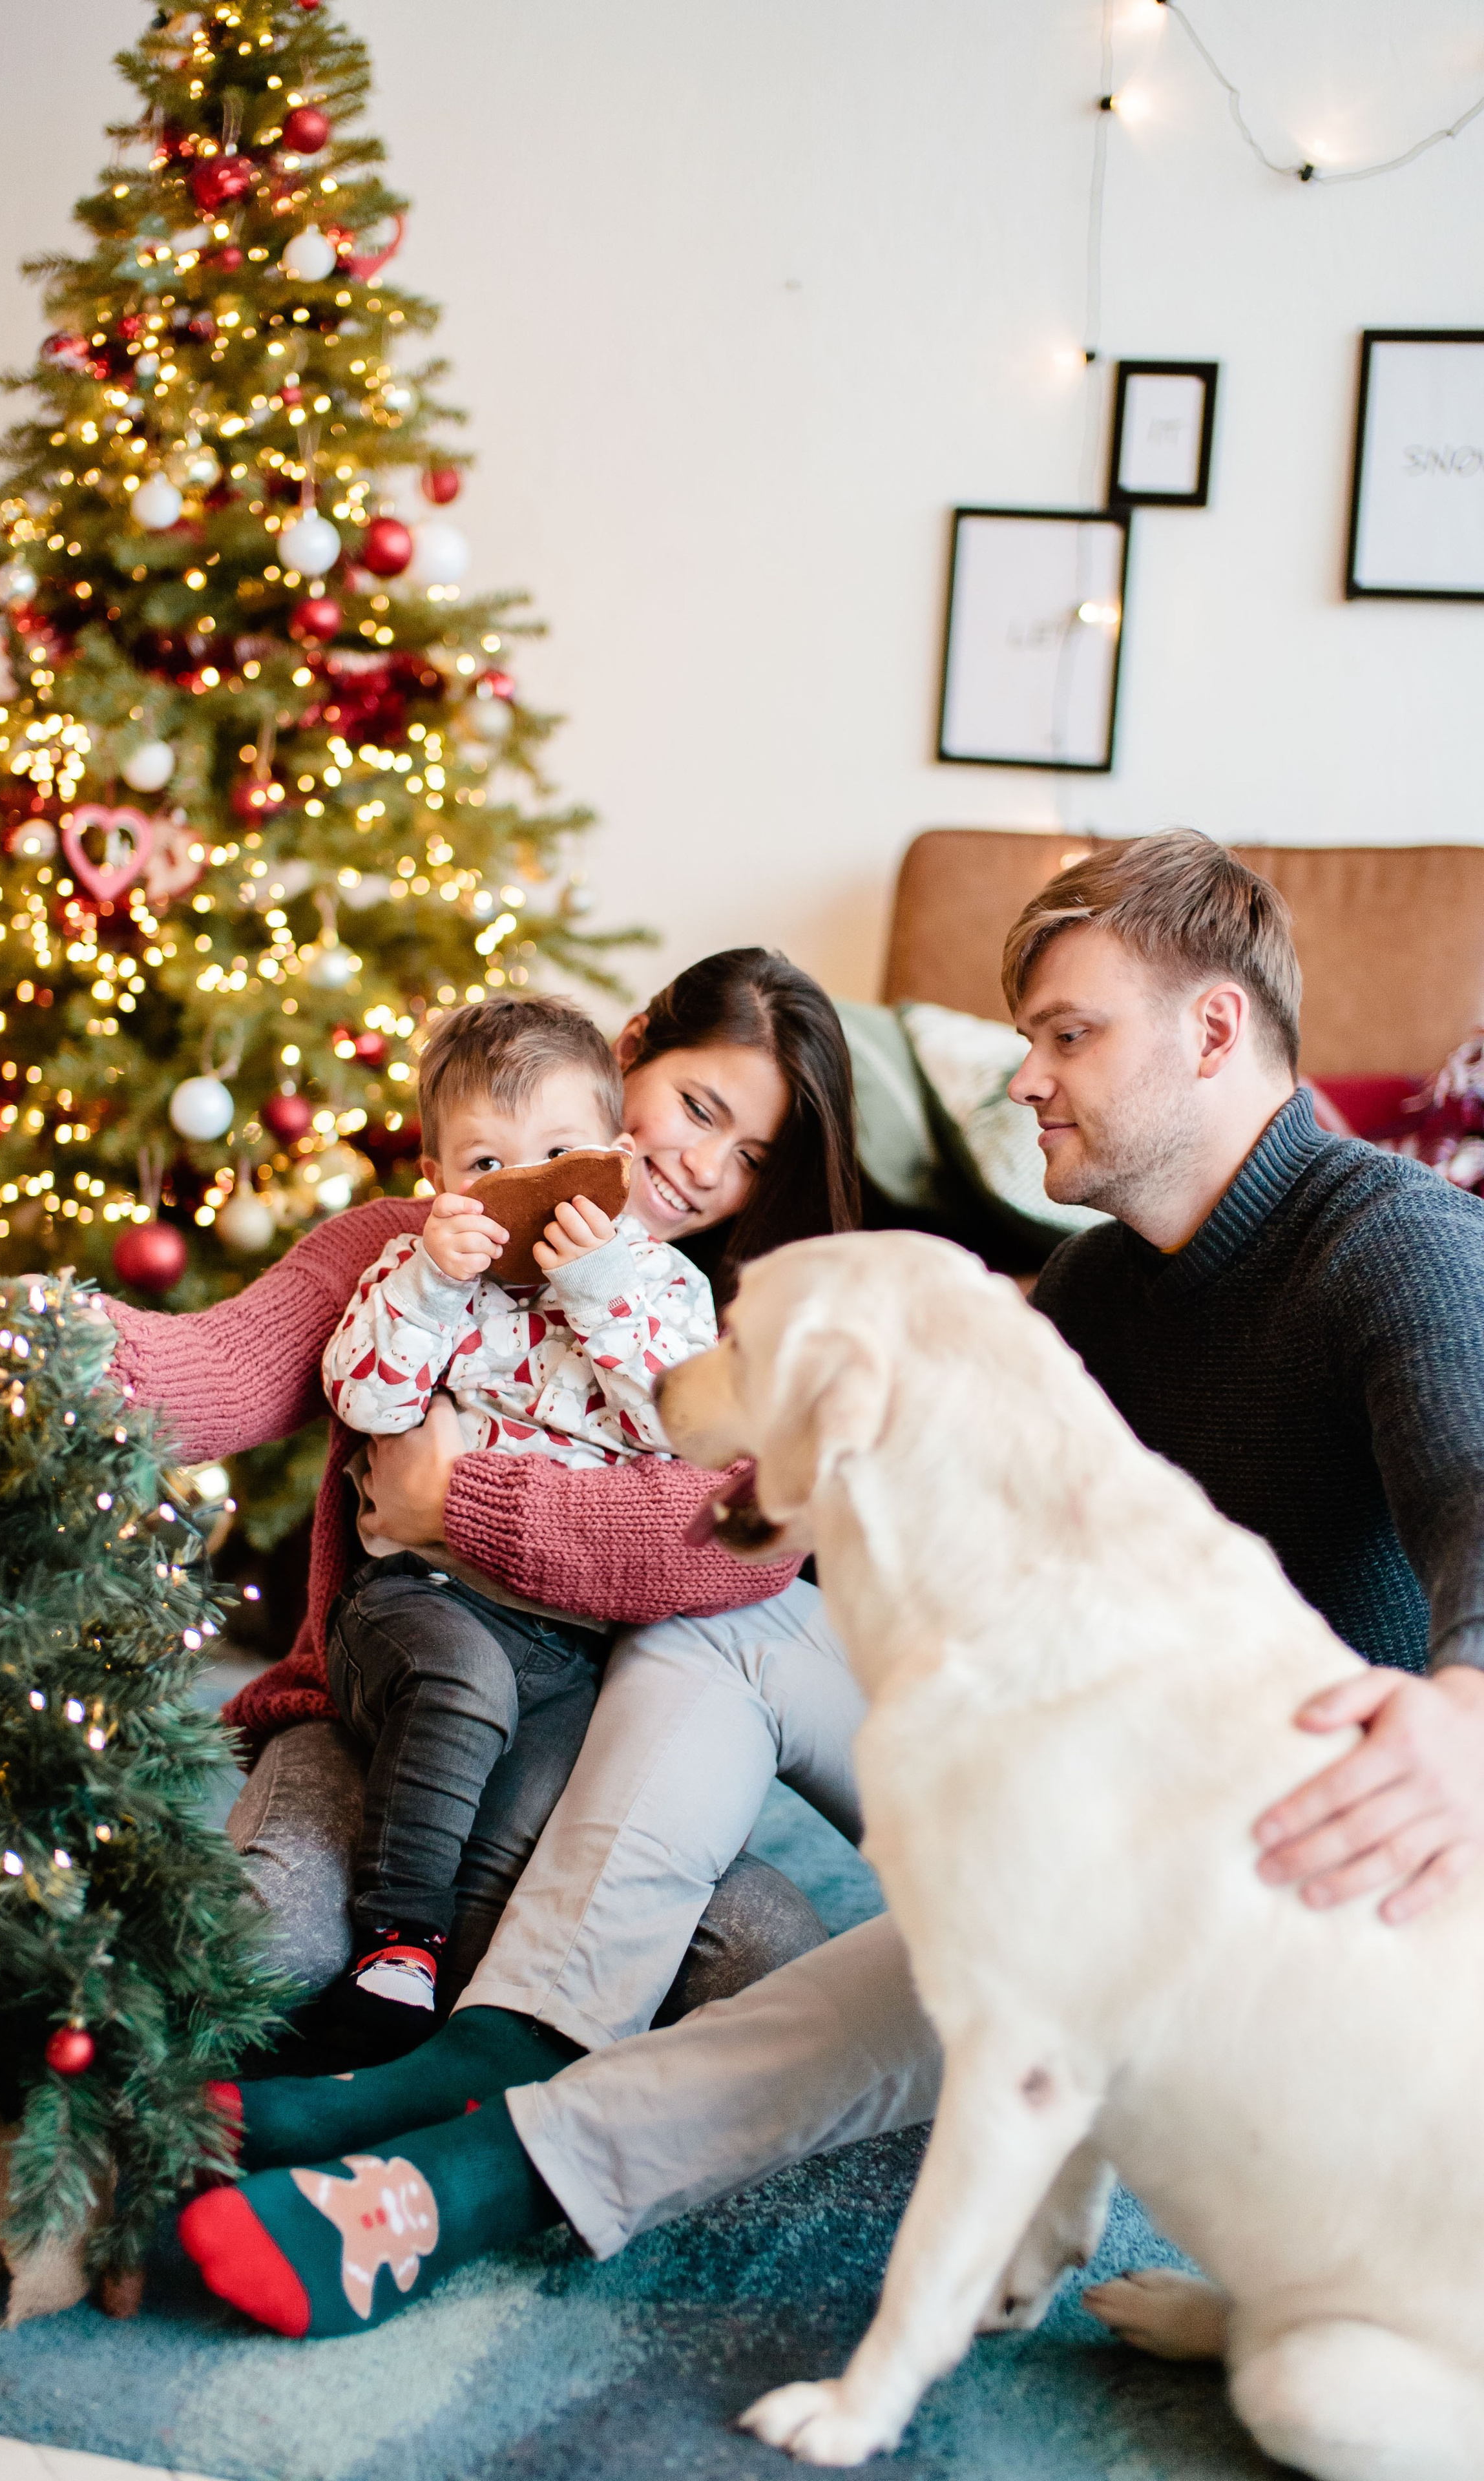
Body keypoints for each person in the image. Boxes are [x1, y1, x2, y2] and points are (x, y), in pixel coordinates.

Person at [180, 830, 1484, 2339]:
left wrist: (1466, 1702)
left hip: (1285, 1869)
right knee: (738, 1619)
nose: (1025, 1080)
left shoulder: (1400, 1246)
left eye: (1067, 1035)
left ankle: (471, 2171)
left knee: (911, 1957)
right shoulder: (1094, 1289)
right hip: (1100, 1768)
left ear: (1210, 1031)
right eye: (1023, 1041)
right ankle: (507, 2041)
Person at [102, 945, 860, 2019]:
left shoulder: (707, 1309)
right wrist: (46, 1347)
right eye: (696, 1107)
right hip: (387, 1685)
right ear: (627, 1053)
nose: (700, 1167)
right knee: (259, 1955)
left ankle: (435, 2019)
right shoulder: (414, 1248)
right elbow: (226, 1371)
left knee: (769, 1967)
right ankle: (392, 1986)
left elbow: (745, 1533)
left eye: (747, 1154)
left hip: (575, 1725)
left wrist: (454, 1504)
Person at [317, 994, 716, 2047]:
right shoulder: (417, 1275)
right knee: (464, 1684)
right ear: (441, 1183)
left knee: (545, 1800)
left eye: (557, 1153)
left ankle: (451, 2009)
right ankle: (394, 1940)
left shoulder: (660, 1286)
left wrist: (596, 1286)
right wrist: (431, 1286)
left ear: (618, 1160)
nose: (524, 1184)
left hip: (573, 1641)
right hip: (417, 1601)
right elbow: (367, 1401)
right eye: (485, 1166)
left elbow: (684, 1429)